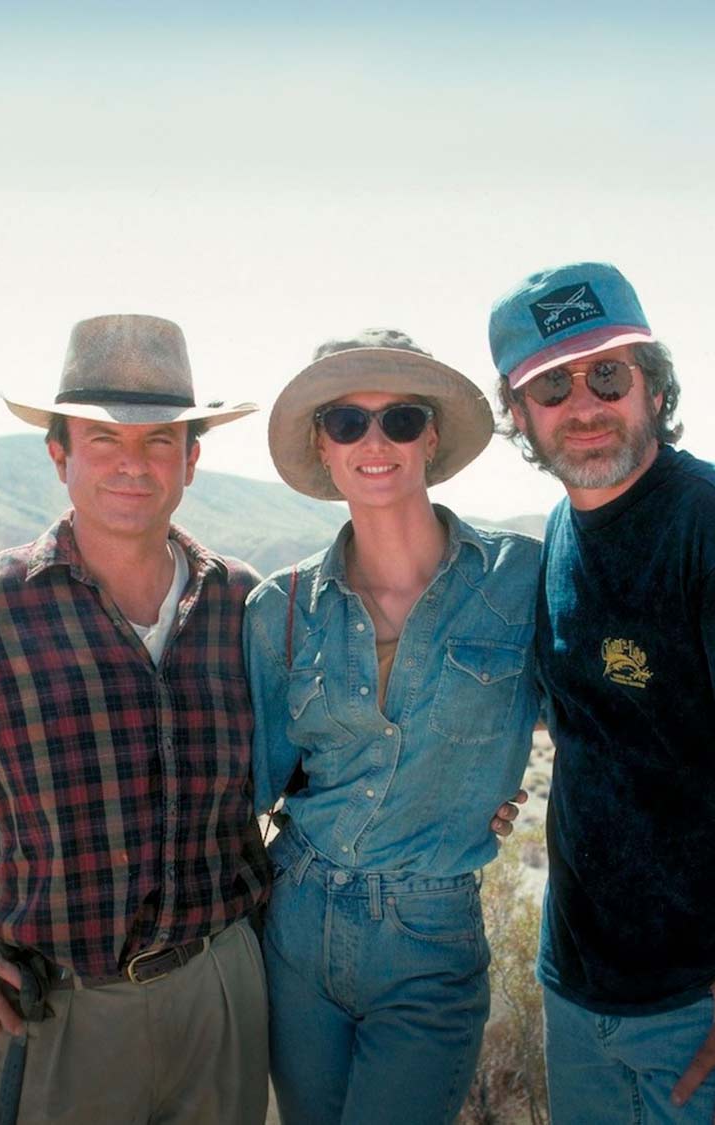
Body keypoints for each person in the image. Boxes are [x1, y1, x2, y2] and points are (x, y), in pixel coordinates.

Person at [0, 314, 270, 1124]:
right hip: (67, 1011)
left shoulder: (245, 602)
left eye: (157, 442)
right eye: (103, 441)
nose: (131, 465)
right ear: (58, 455)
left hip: (224, 989)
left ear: (193, 458)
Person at [487, 261, 715, 1124]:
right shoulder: (562, 528)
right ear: (518, 415)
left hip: (701, 1004)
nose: (584, 403)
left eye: (608, 374)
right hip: (576, 985)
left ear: (652, 385)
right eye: (551, 385)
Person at [243, 328, 541, 1125]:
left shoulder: (521, 582)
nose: (375, 441)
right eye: (347, 422)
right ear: (324, 446)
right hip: (296, 920)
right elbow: (252, 782)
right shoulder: (278, 609)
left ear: (431, 436)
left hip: (431, 938)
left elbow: (610, 728)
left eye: (400, 419)